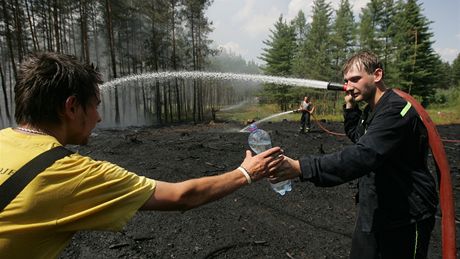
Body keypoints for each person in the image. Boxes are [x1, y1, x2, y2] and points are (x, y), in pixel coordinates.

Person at [0, 52, 284, 258]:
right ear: (71, 107)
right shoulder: (73, 174)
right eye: (95, 106)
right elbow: (181, 196)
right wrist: (248, 172)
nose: (99, 118)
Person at [271, 51, 438, 259]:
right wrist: (350, 106)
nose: (348, 86)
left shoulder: (397, 110)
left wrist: (301, 167)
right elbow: (359, 136)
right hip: (375, 209)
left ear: (377, 75)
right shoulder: (371, 109)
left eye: (355, 79)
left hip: (406, 216)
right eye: (346, 81)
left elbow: (364, 154)